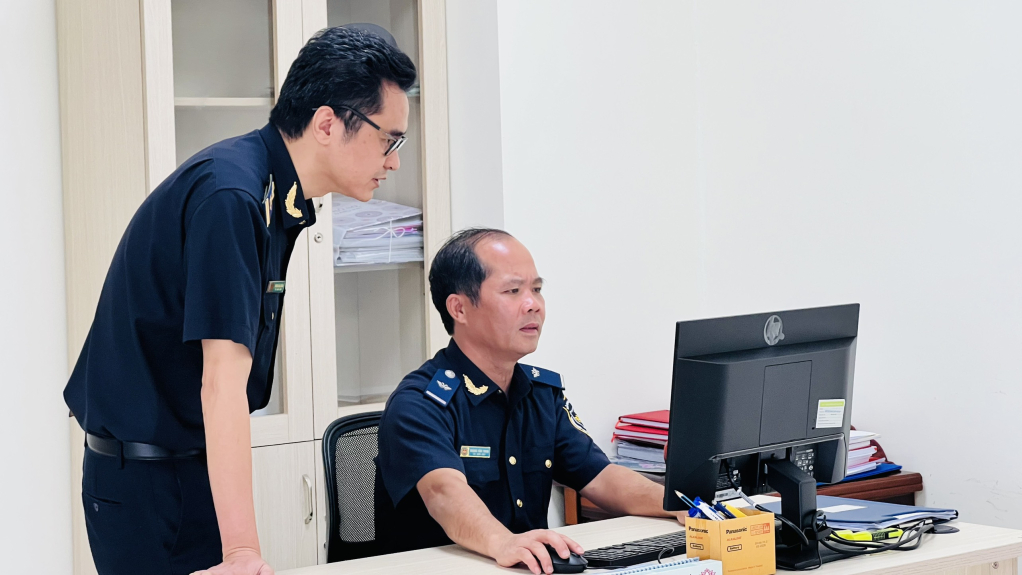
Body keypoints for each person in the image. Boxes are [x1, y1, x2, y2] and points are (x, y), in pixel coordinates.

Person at [63, 27, 415, 575]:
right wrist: (242, 552)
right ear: (327, 123)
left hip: (184, 468)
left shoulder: (272, 190)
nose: (394, 162)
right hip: (152, 486)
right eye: (389, 139)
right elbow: (221, 379)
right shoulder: (234, 195)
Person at [374, 229, 683, 575]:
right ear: (459, 308)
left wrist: (678, 504)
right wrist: (504, 542)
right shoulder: (420, 403)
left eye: (536, 289)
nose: (533, 303)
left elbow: (601, 478)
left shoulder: (540, 393)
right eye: (513, 291)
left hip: (524, 567)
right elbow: (445, 493)